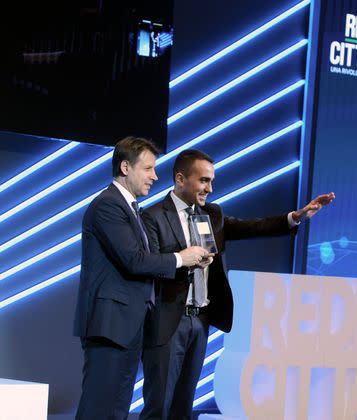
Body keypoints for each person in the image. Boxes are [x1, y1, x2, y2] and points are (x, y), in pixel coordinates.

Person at [140, 149, 334, 420]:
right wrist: (185, 260)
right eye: (203, 181)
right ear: (180, 179)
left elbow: (252, 227)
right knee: (158, 407)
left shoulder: (212, 214)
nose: (210, 187)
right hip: (169, 321)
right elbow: (149, 265)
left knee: (183, 408)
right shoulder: (152, 216)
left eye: (211, 180)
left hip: (200, 322)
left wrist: (295, 217)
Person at [73, 137, 210, 420]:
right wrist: (180, 258)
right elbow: (134, 260)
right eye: (148, 169)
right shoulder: (108, 206)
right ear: (125, 167)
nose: (155, 176)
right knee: (99, 409)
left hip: (128, 327)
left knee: (116, 410)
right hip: (110, 326)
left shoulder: (131, 209)